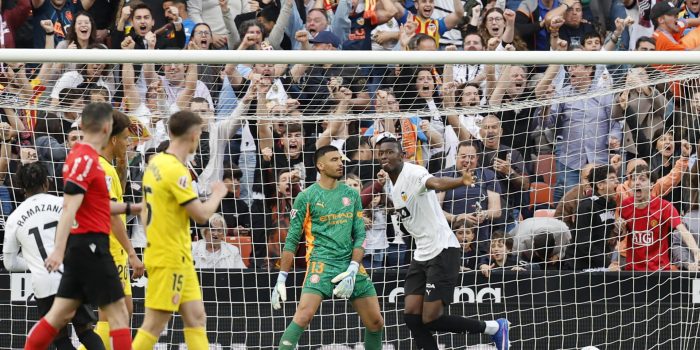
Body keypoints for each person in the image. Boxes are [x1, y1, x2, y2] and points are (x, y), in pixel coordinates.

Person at [376, 134, 510, 350]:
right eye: (381, 153)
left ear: (402, 155)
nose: (384, 157)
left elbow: (434, 182)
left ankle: (494, 327)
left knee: (431, 318)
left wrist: (460, 180)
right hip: (421, 253)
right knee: (411, 315)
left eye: (390, 152)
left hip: (442, 250)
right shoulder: (393, 184)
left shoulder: (414, 172)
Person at [26, 102, 136, 350]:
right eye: (125, 138)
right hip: (96, 246)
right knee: (118, 314)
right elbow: (74, 209)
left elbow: (95, 206)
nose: (127, 143)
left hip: (83, 247)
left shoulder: (81, 159)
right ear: (108, 130)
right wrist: (57, 249)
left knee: (60, 318)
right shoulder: (94, 164)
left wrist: (132, 208)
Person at [271, 145, 384, 349]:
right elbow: (292, 240)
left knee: (376, 323)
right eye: (334, 160)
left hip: (350, 265)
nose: (340, 163)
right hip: (320, 264)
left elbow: (360, 235)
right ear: (320, 165)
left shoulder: (352, 195)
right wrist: (281, 277)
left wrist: (352, 268)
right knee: (303, 317)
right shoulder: (306, 197)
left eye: (340, 159)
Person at [132, 110, 228, 349]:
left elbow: (144, 210)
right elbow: (202, 215)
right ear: (194, 135)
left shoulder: (155, 164)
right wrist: (217, 194)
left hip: (178, 255)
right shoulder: (176, 170)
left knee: (196, 317)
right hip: (169, 257)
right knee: (154, 324)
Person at [4, 163, 103, 349]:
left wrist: (36, 262)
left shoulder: (14, 218)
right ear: (47, 183)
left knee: (60, 338)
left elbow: (9, 263)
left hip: (44, 284)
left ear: (21, 188)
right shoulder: (63, 203)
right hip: (72, 276)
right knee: (86, 331)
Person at [87, 110, 145, 350]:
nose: (128, 143)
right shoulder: (102, 168)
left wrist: (123, 161)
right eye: (124, 139)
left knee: (124, 312)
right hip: (108, 249)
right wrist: (132, 253)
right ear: (112, 139)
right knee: (112, 316)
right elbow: (111, 215)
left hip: (110, 249)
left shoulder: (106, 166)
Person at [620, 164, 700, 271]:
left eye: (642, 179)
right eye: (634, 179)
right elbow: (618, 237)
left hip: (660, 271)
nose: (637, 182)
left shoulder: (664, 207)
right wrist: (619, 229)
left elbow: (683, 230)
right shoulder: (625, 206)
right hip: (633, 271)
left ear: (652, 184)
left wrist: (696, 251)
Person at [563, 165, 620, 271]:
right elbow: (583, 243)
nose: (617, 181)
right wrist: (607, 263)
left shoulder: (611, 204)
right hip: (579, 265)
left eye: (616, 178)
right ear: (600, 185)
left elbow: (607, 235)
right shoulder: (586, 206)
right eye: (612, 178)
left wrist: (618, 230)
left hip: (597, 262)